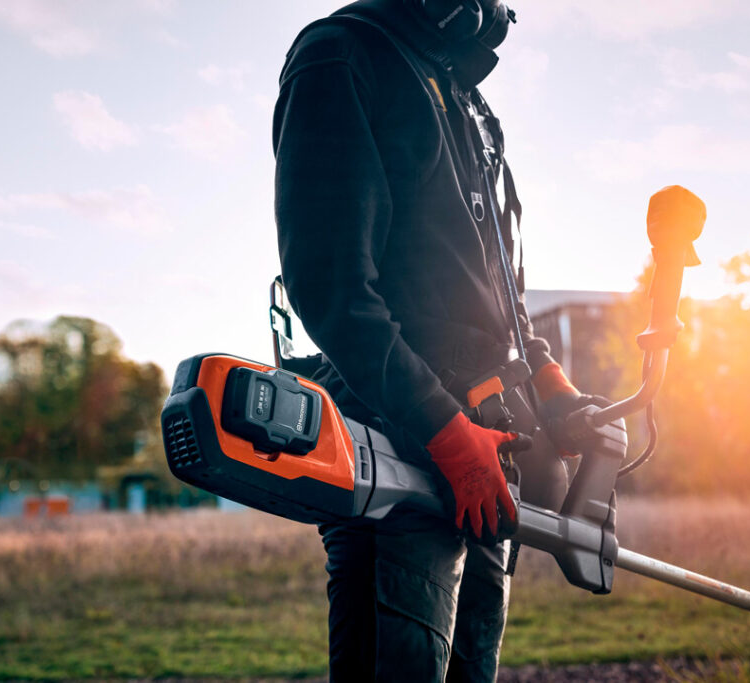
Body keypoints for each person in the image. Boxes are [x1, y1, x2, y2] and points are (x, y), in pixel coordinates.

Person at [273, 1, 590, 680]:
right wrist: (445, 433)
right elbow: (334, 292)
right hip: (399, 448)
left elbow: (493, 292)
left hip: (485, 448)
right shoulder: (341, 57)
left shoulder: (466, 97)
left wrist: (547, 376)